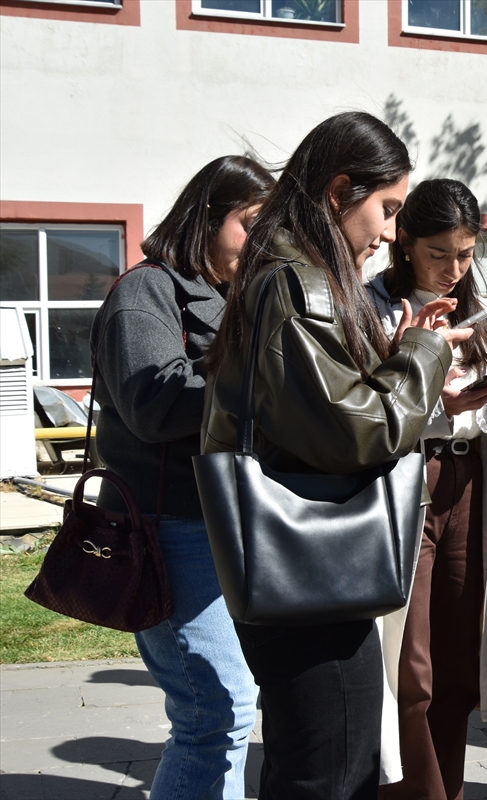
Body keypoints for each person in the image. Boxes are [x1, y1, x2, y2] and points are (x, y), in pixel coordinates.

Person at [202, 112, 466, 800]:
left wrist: (402, 356)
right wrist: (423, 355)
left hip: (307, 573)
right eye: (388, 209)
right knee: (330, 772)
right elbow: (355, 430)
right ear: (340, 191)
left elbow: (330, 408)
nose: (390, 233)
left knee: (327, 764)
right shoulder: (297, 283)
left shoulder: (293, 274)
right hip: (309, 581)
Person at [90, 154, 272, 800]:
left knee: (223, 711)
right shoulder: (145, 292)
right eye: (249, 224)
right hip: (167, 527)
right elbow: (154, 404)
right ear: (206, 217)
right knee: (214, 711)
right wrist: (261, 380)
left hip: (220, 523)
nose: (258, 245)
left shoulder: (229, 296)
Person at [366, 178, 487, 800]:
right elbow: (370, 414)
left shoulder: (477, 311)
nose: (453, 268)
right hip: (406, 489)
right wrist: (440, 405)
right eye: (438, 253)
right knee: (409, 663)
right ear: (405, 244)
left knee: (458, 657)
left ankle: (449, 787)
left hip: (471, 488)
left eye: (466, 254)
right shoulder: (372, 308)